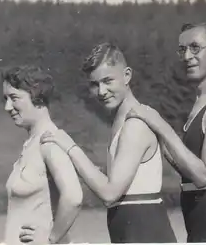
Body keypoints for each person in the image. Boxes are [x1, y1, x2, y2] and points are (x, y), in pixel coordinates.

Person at [126, 22, 206, 243]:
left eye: (195, 48)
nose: (186, 56)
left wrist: (161, 126)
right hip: (200, 225)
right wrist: (155, 135)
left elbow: (203, 175)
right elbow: (189, 169)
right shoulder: (200, 103)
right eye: (182, 49)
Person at [40, 43, 177, 243]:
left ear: (127, 75)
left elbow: (110, 193)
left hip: (143, 228)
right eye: (94, 84)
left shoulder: (135, 124)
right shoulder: (121, 122)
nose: (101, 91)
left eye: (107, 81)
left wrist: (70, 147)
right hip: (130, 226)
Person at [1, 65, 83, 245]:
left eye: (14, 98)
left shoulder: (50, 141)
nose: (7, 107)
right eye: (5, 99)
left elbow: (74, 197)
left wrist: (50, 239)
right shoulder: (32, 142)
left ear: (37, 96)